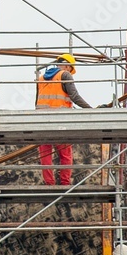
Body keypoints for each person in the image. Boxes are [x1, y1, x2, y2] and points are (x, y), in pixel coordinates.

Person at [35, 54, 92, 186]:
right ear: (67, 66)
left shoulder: (41, 78)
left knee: (45, 155)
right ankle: (65, 183)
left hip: (41, 121)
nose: (70, 72)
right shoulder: (65, 75)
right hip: (60, 121)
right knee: (65, 155)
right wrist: (91, 110)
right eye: (71, 69)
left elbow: (36, 102)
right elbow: (75, 96)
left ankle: (49, 183)